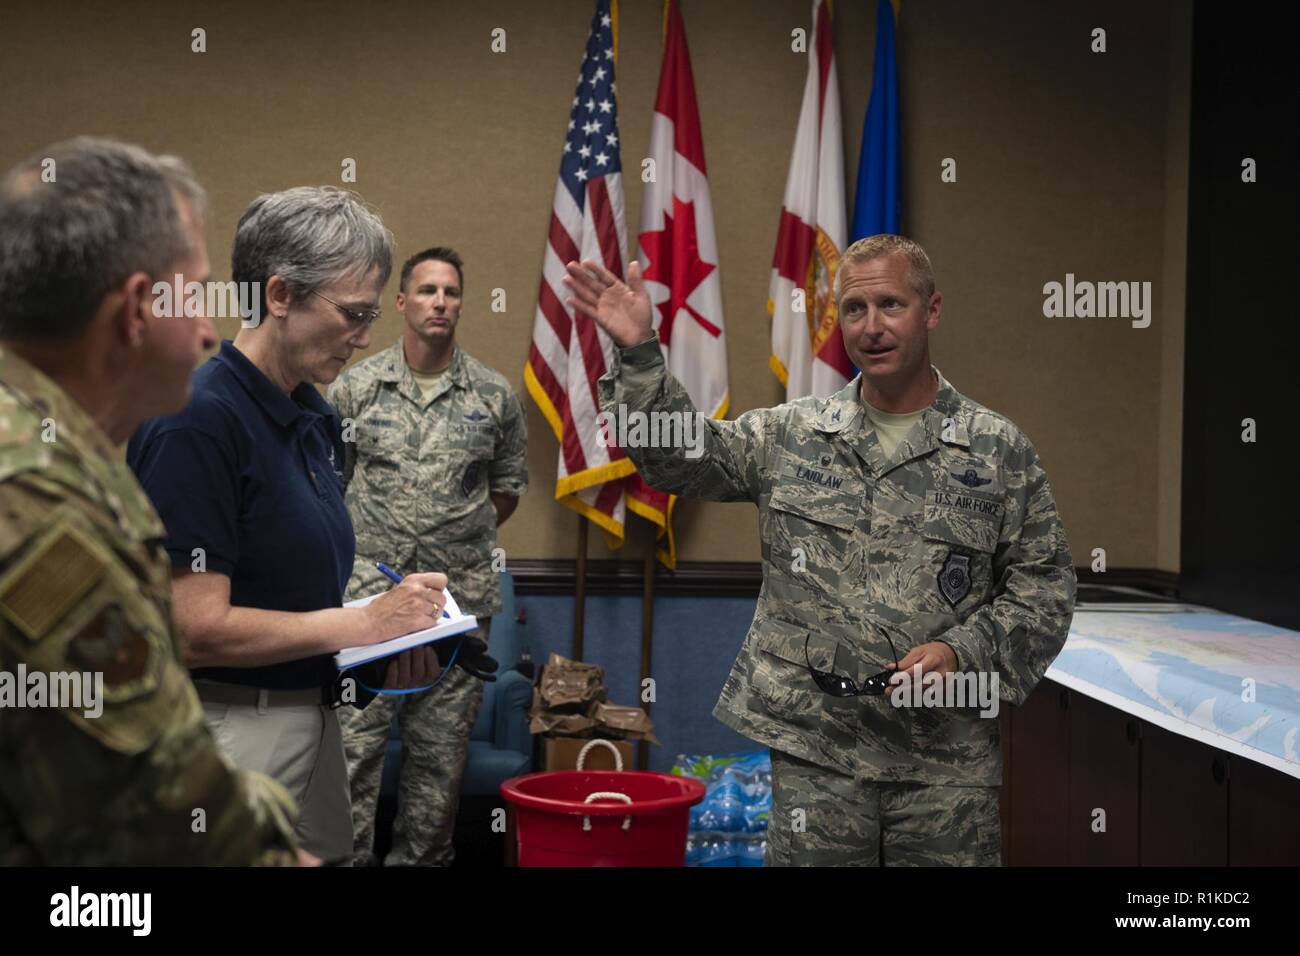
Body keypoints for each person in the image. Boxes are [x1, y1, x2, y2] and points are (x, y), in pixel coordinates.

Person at [566, 234, 1076, 866]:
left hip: (945, 763)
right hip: (819, 754)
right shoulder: (792, 434)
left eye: (891, 305)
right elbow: (675, 459)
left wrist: (959, 652)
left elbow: (1044, 590)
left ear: (932, 311)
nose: (872, 327)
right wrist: (639, 352)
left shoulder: (998, 451)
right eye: (855, 311)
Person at [0, 137, 302, 864]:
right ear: (137, 309)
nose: (206, 331)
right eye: (193, 293)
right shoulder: (38, 501)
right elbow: (163, 809)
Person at [127, 187, 448, 862]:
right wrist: (365, 624)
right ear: (278, 295)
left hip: (311, 719)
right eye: (354, 314)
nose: (365, 339)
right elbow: (190, 629)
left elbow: (289, 603)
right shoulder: (197, 420)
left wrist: (369, 662)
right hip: (225, 734)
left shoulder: (315, 417)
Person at [329, 246, 527, 866]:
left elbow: (506, 489)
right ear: (401, 302)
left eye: (450, 292)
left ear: (461, 303)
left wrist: (452, 537)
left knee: (438, 759)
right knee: (353, 751)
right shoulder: (355, 388)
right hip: (368, 598)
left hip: (458, 601)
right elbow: (331, 485)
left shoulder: (493, 394)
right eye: (426, 290)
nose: (440, 301)